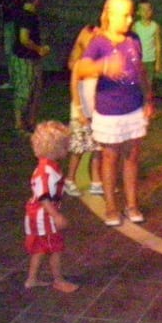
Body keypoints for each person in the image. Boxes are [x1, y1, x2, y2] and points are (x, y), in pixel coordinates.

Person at [74, 0, 152, 227]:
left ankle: (132, 204)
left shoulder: (134, 39)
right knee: (109, 158)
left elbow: (140, 71)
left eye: (131, 15)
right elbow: (81, 68)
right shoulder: (99, 41)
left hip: (133, 107)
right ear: (110, 15)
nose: (130, 20)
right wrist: (104, 66)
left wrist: (148, 98)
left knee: (132, 156)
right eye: (125, 15)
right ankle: (110, 206)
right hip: (109, 110)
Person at [24, 120, 79, 293]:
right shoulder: (46, 172)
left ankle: (32, 279)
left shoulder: (47, 167)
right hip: (44, 216)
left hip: (39, 214)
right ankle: (58, 280)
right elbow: (44, 197)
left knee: (40, 248)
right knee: (55, 247)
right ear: (56, 148)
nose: (68, 148)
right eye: (65, 145)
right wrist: (56, 215)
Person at [63, 24, 103, 197]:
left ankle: (96, 182)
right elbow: (74, 89)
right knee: (78, 149)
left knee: (98, 148)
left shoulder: (99, 64)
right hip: (81, 114)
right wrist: (79, 112)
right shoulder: (79, 64)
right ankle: (69, 180)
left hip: (97, 114)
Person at [9, 0, 50, 134]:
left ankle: (30, 122)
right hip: (25, 59)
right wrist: (40, 49)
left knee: (35, 90)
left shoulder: (26, 15)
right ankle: (20, 123)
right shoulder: (27, 16)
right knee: (25, 91)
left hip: (31, 58)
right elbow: (24, 39)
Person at [131, 0, 162, 97]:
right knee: (138, 82)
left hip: (150, 59)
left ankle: (147, 100)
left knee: (148, 82)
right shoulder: (136, 26)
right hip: (139, 60)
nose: (146, 12)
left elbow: (157, 44)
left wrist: (158, 61)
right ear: (138, 12)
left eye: (148, 9)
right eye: (143, 10)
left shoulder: (154, 26)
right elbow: (132, 43)